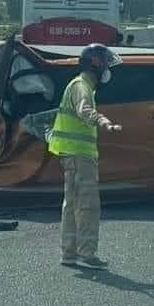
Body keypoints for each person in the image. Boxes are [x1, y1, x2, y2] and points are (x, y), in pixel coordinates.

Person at [48, 43, 123, 270]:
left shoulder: (78, 84)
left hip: (70, 154)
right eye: (106, 64)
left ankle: (69, 253)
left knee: (71, 205)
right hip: (81, 156)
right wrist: (104, 122)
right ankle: (87, 254)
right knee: (88, 206)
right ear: (97, 64)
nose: (108, 70)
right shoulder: (82, 87)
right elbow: (83, 110)